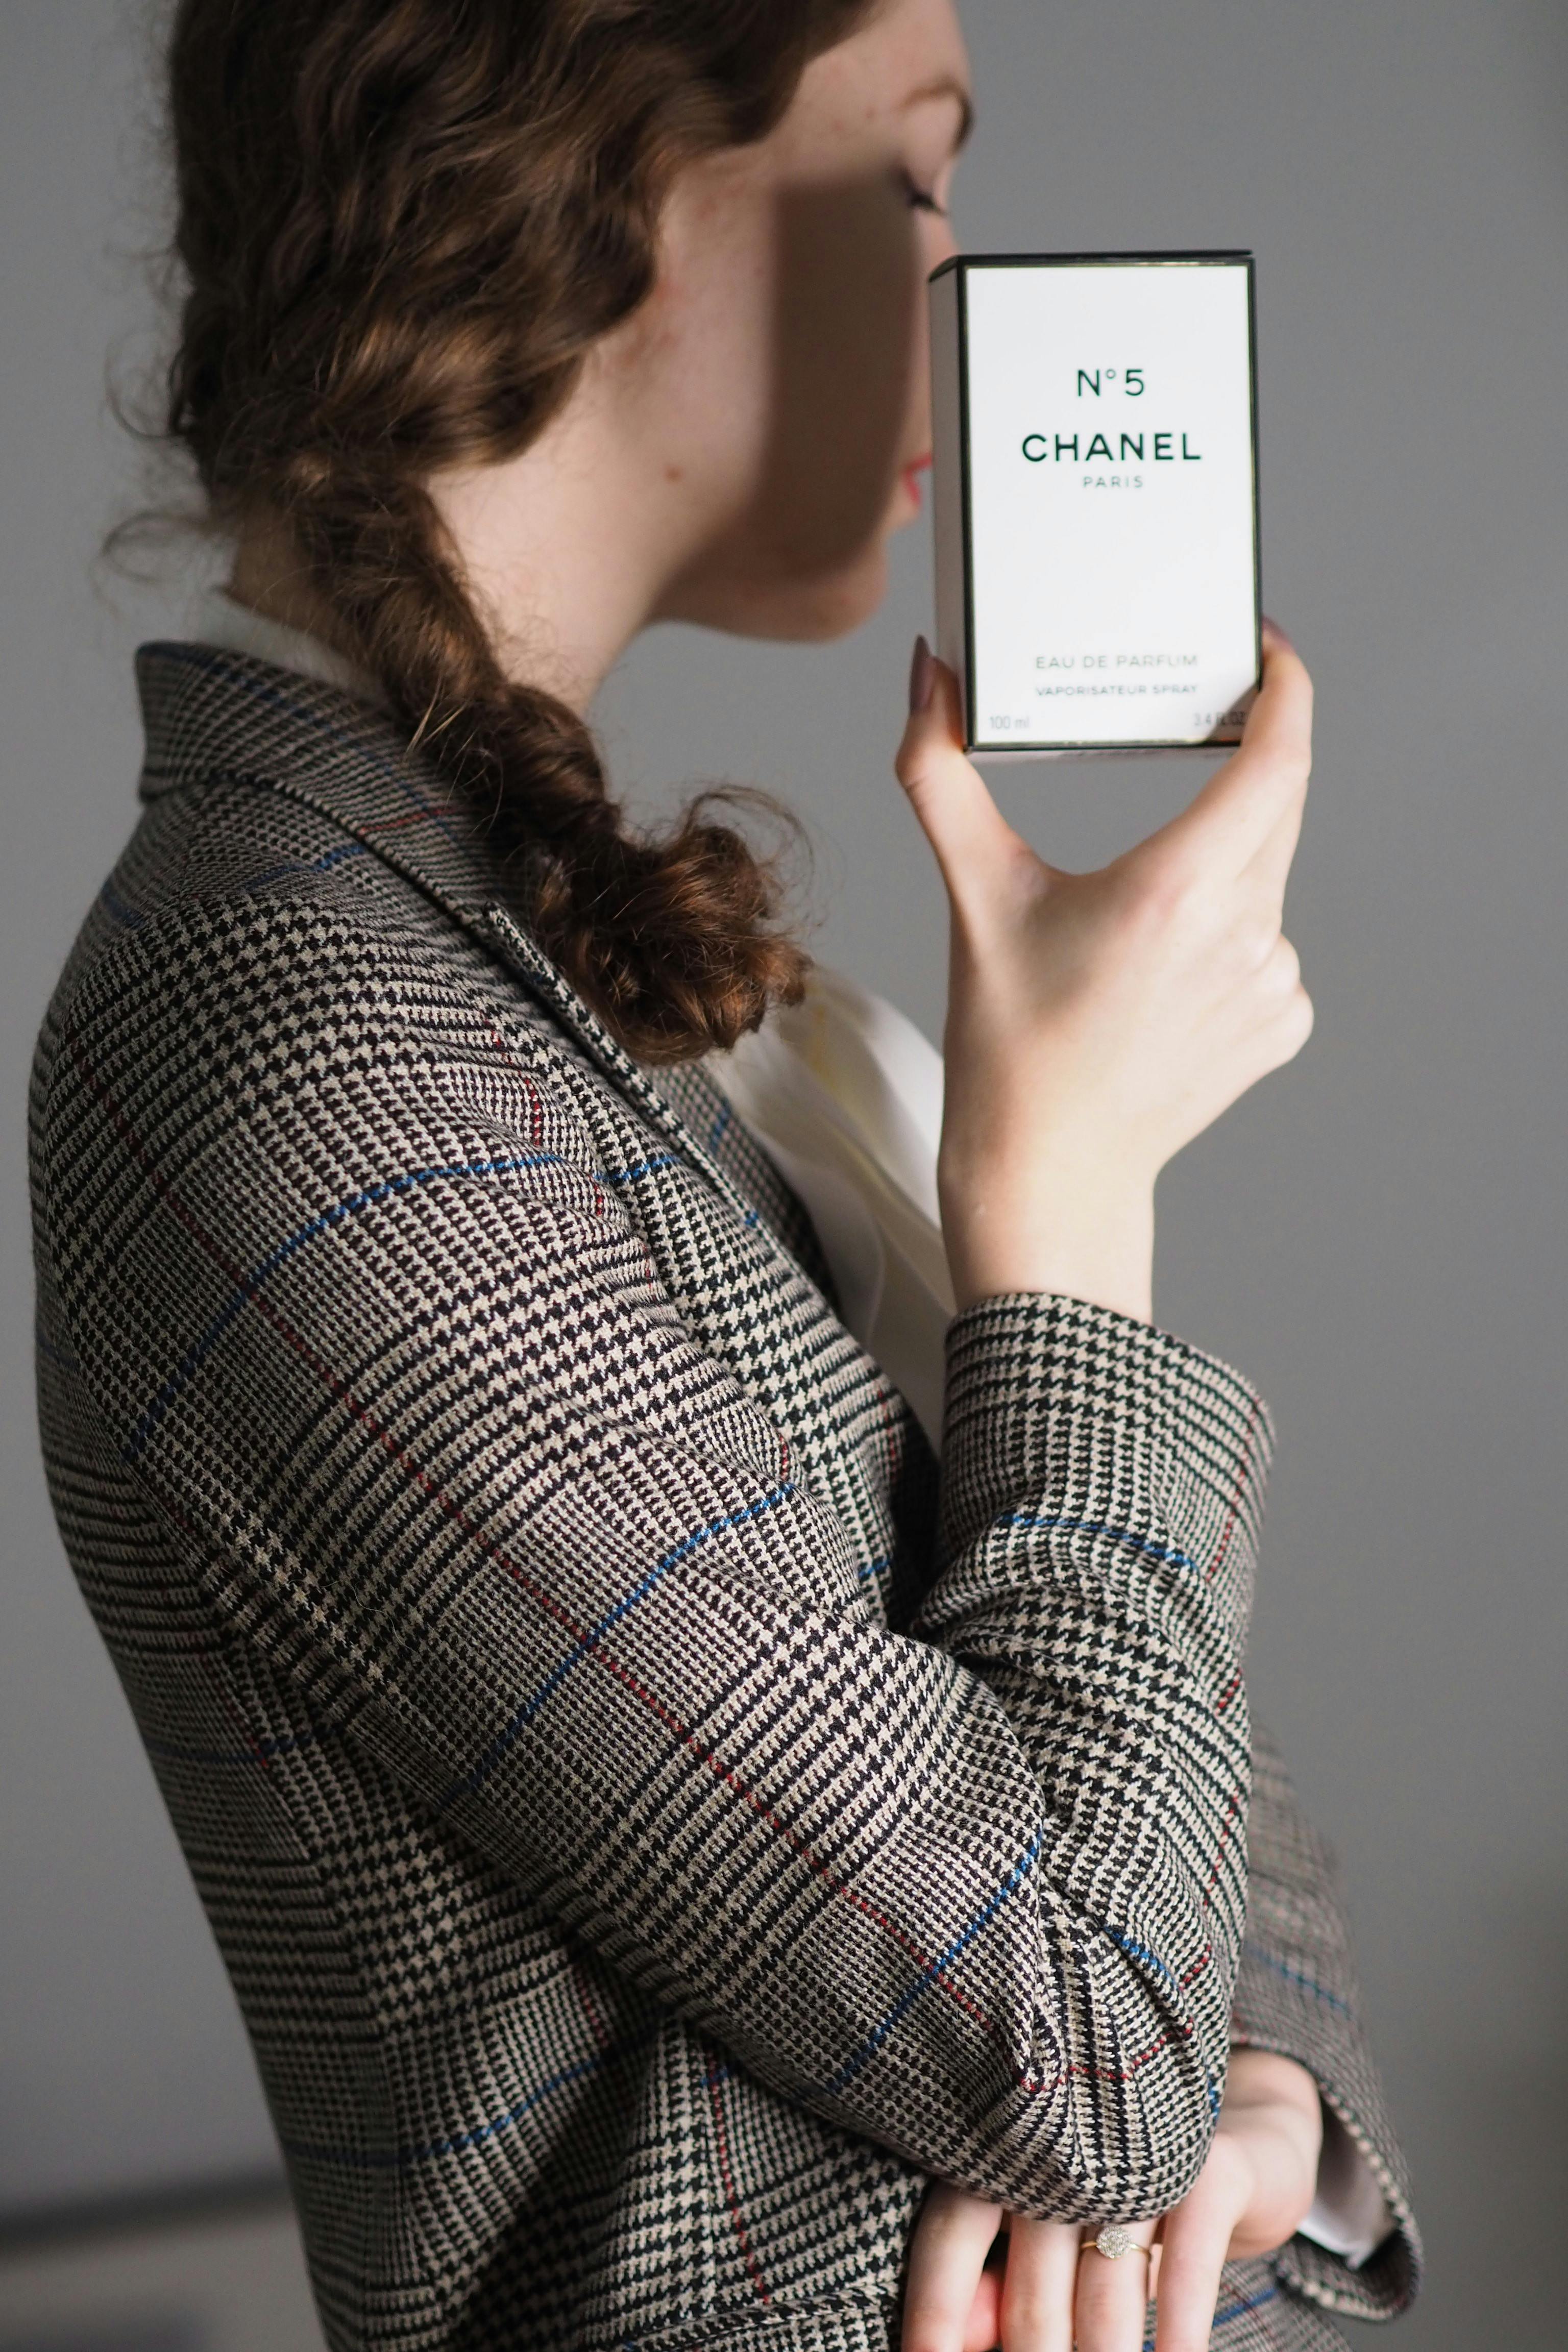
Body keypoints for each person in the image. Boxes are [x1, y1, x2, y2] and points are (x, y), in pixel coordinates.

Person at [30, 1, 1420, 2346]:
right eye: (910, 182)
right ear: (596, 187)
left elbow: (1179, 1785)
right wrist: (1064, 1221)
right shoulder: (299, 1034)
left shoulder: (621, 991)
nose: (963, 284)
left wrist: (1267, 2087)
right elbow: (1078, 2050)